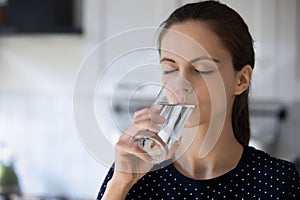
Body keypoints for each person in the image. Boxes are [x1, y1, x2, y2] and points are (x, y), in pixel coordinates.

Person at [97, 1, 300, 199]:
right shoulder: (131, 176)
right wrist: (120, 183)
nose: (181, 83)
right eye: (171, 69)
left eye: (202, 69)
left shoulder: (278, 181)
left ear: (241, 80)